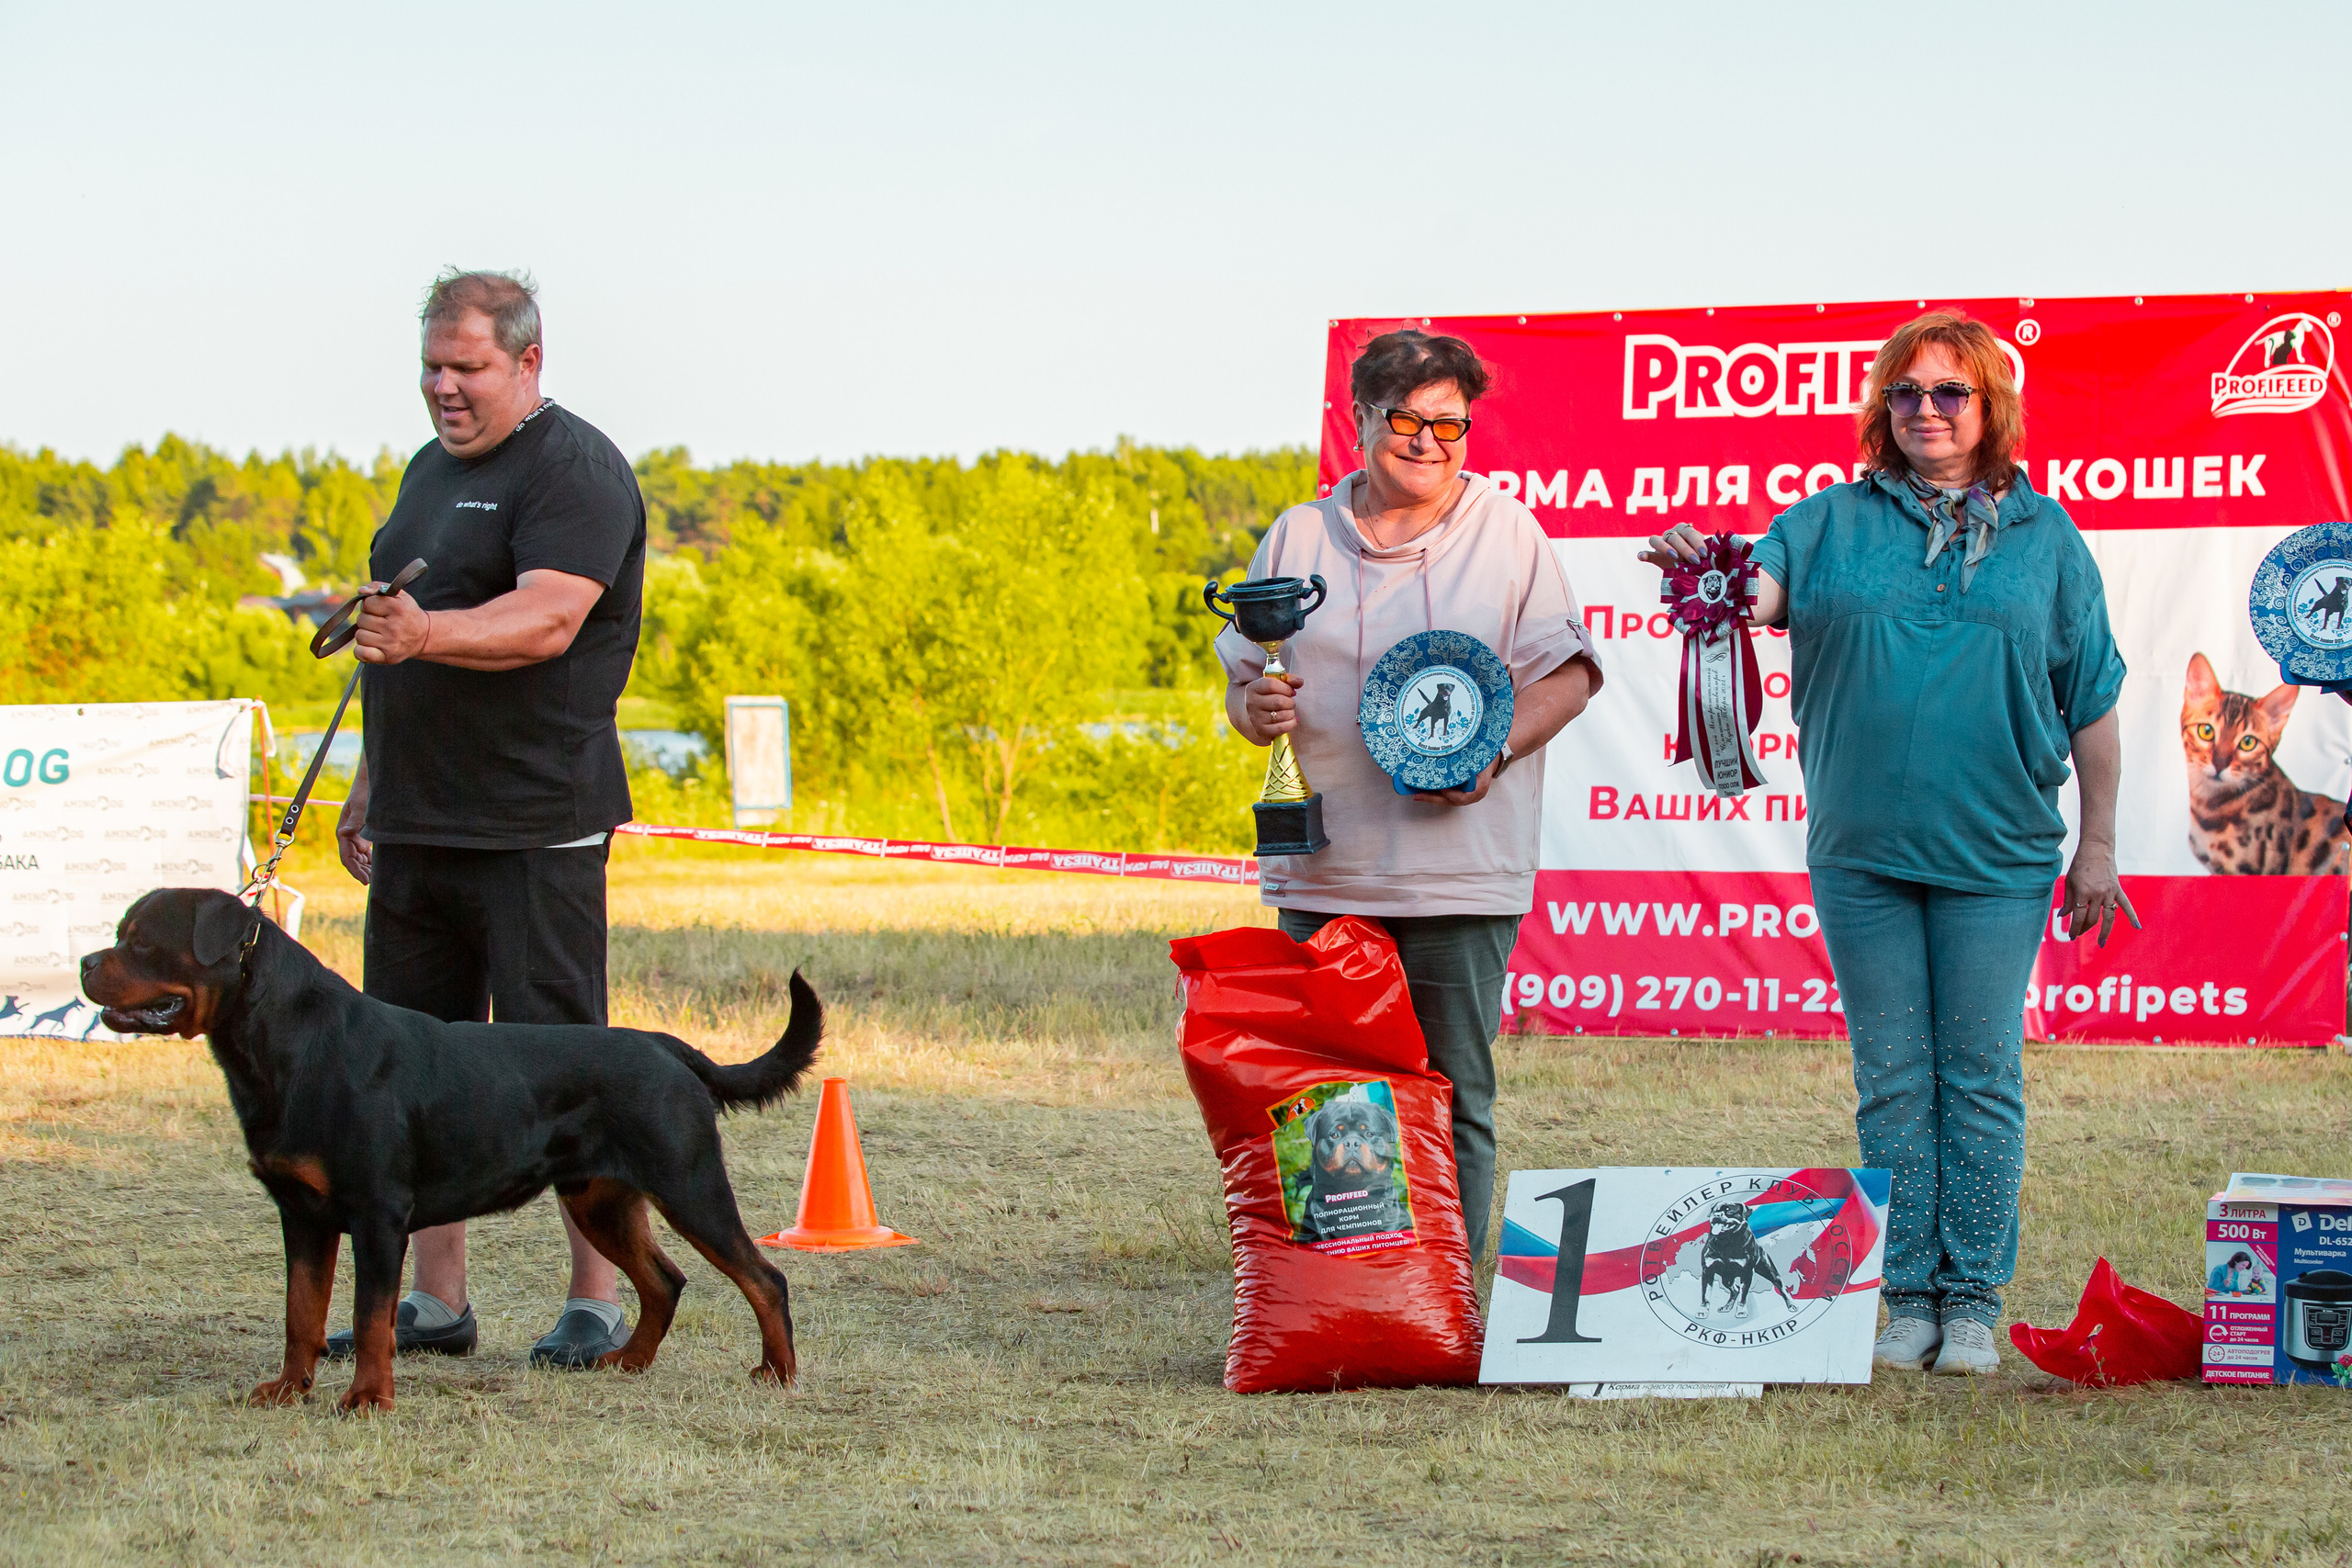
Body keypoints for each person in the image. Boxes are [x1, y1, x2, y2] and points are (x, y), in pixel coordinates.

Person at [1643, 310, 2133, 1377]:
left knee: (1979, 1074)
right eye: (1905, 392)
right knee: (1892, 1079)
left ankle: (1972, 1303)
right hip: (1862, 856)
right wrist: (1707, 574)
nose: (1925, 410)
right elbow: (1755, 592)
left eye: (1950, 392)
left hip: (1999, 856)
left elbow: (2092, 705)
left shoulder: (2048, 541)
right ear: (1882, 409)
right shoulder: (1824, 523)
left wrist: (2096, 848)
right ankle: (1906, 1296)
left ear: (1989, 407)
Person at [1216, 329, 1602, 1262]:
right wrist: (1253, 708)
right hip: (1324, 869)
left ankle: (1445, 1292)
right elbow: (1243, 683)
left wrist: (1493, 751)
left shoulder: (1506, 530)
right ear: (1359, 419)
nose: (1427, 441)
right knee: (1329, 1094)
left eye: (1449, 423)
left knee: (1451, 1088)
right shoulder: (1298, 534)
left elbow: (1569, 676)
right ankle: (1345, 1289)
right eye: (1405, 419)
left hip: (1459, 874)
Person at [322, 268, 649, 1369]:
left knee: (567, 1067)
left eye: (467, 367)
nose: (443, 388)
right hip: (419, 822)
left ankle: (596, 1300)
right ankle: (436, 1302)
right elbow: (390, 635)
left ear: (528, 361)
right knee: (404, 1065)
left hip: (535, 825)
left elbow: (547, 618)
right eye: (431, 366)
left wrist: (426, 635)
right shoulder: (426, 471)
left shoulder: (576, 469)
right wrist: (373, 779)